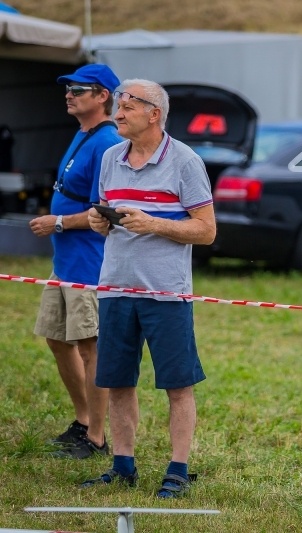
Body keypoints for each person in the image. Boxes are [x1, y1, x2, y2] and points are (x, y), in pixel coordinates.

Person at [83, 79, 216, 498]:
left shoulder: (185, 161)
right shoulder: (109, 157)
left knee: (178, 384)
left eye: (126, 106)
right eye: (118, 106)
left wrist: (153, 223)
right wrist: (97, 220)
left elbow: (207, 231)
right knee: (118, 381)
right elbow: (100, 210)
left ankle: (177, 470)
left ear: (154, 113)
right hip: (115, 288)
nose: (117, 114)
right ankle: (123, 464)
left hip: (166, 293)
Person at [29, 64, 122, 459]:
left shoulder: (107, 142)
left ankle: (97, 438)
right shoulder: (83, 133)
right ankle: (83, 420)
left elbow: (109, 211)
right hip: (64, 262)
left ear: (102, 96)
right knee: (56, 338)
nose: (69, 94)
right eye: (67, 88)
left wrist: (60, 222)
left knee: (90, 348)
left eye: (78, 89)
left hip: (88, 265)